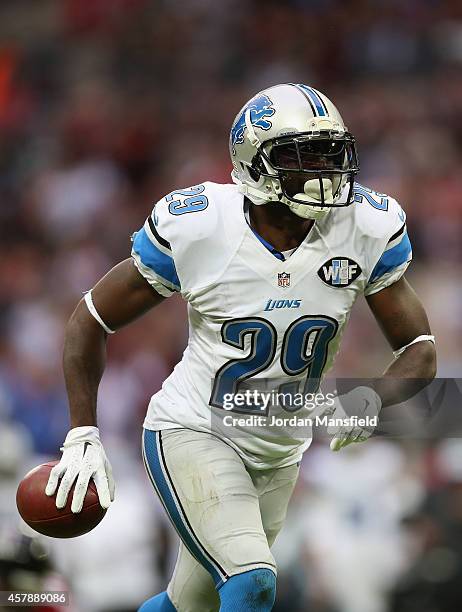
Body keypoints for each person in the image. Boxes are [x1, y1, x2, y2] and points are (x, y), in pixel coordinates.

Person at [45, 84, 436, 612]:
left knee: (190, 606)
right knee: (253, 582)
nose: (326, 171)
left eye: (330, 153)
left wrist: (367, 400)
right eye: (303, 157)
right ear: (255, 164)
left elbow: (419, 348)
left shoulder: (365, 225)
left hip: (281, 447)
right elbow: (89, 319)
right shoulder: (201, 225)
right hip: (194, 428)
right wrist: (82, 430)